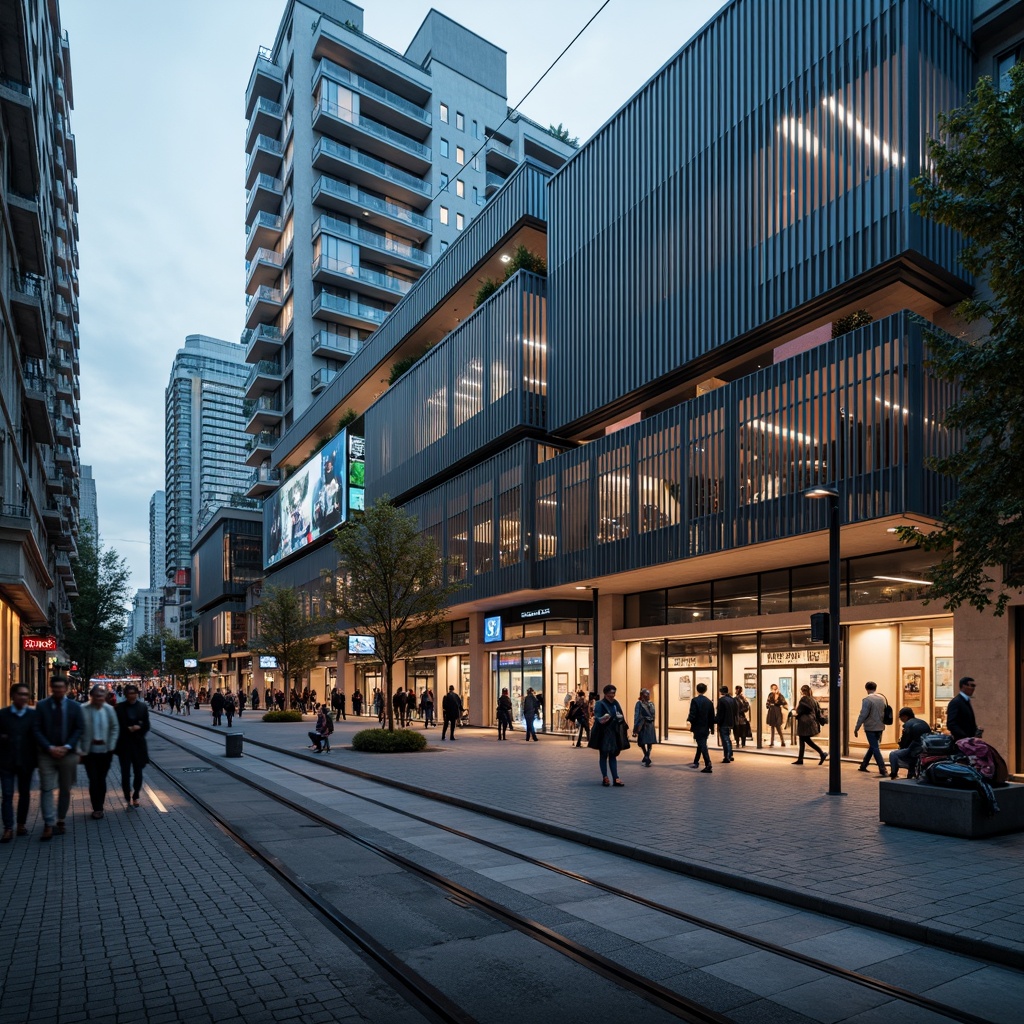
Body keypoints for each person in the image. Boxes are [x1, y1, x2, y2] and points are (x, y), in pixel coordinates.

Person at [34, 675, 84, 841]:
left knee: (65, 789)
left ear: (66, 689)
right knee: (47, 788)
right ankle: (49, 823)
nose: (58, 691)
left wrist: (68, 746)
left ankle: (61, 819)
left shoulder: (75, 707)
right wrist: (49, 747)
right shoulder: (41, 706)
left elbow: (78, 729)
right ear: (51, 688)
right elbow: (37, 730)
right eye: (55, 688)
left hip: (67, 753)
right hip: (46, 754)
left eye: (61, 688)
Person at [0, 683, 38, 841]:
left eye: (25, 694)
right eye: (20, 694)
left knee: (24, 794)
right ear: (12, 696)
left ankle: (21, 824)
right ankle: (8, 828)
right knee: (7, 795)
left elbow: (36, 737)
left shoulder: (32, 715)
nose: (23, 697)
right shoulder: (2, 715)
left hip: (26, 762)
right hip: (6, 762)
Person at [79, 685, 119, 820]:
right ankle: (97, 808)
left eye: (102, 696)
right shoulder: (83, 709)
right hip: (89, 751)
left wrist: (111, 746)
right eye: (97, 696)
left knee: (101, 779)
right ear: (92, 696)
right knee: (93, 779)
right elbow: (78, 729)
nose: (99, 698)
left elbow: (115, 728)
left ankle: (99, 806)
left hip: (105, 751)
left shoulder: (109, 710)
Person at [115, 684, 150, 808]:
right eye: (129, 693)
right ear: (125, 694)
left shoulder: (142, 707)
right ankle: (126, 794)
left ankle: (136, 795)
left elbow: (147, 725)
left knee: (138, 772)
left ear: (137, 694)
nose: (132, 695)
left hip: (138, 744)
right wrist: (127, 728)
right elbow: (116, 726)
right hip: (124, 745)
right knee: (125, 773)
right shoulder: (119, 708)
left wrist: (139, 727)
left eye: (133, 693)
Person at [590, 684, 627, 786]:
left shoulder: (615, 703)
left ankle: (616, 777)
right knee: (603, 755)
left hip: (614, 732)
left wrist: (620, 718)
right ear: (605, 694)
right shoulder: (600, 704)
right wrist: (603, 718)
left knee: (613, 755)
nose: (612, 695)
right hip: (604, 733)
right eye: (610, 693)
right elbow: (597, 717)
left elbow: (621, 716)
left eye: (613, 693)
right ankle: (605, 777)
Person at [853, 681, 888, 777]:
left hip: (870, 727)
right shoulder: (882, 699)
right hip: (880, 726)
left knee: (875, 747)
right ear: (875, 688)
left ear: (866, 689)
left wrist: (857, 727)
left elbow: (863, 715)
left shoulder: (867, 700)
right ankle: (864, 765)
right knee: (873, 746)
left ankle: (882, 768)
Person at [888, 708, 931, 779]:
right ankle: (911, 772)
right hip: (925, 749)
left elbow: (905, 740)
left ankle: (894, 773)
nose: (900, 719)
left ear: (905, 716)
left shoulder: (908, 725)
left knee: (893, 754)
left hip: (915, 749)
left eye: (900, 717)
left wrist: (901, 746)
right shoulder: (923, 722)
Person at [793, 684, 827, 765]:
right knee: (802, 739)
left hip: (804, 723)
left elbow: (799, 711)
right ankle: (800, 759)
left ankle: (822, 753)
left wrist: (794, 712)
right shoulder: (814, 700)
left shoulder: (803, 699)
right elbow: (818, 712)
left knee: (806, 739)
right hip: (811, 722)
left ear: (802, 691)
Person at [687, 682, 716, 773]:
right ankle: (696, 761)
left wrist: (689, 721)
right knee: (701, 743)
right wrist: (712, 728)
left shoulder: (695, 700)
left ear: (697, 689)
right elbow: (712, 717)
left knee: (702, 744)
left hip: (698, 726)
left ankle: (708, 763)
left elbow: (693, 713)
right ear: (705, 690)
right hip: (705, 726)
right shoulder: (709, 702)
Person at [947, 676, 982, 741]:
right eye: (972, 685)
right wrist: (964, 737)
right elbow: (951, 724)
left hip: (968, 742)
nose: (973, 688)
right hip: (962, 743)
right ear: (963, 686)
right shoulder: (956, 702)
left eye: (974, 686)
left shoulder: (966, 701)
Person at [633, 688, 658, 766]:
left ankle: (647, 756)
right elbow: (637, 715)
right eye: (646, 694)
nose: (647, 695)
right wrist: (636, 727)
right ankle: (646, 755)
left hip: (646, 724)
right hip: (645, 724)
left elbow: (653, 715)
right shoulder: (641, 703)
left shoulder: (648, 704)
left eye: (648, 694)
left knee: (647, 742)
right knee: (643, 742)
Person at [716, 686, 736, 763]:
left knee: (725, 739)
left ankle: (727, 756)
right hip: (730, 722)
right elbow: (735, 711)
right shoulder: (732, 699)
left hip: (724, 722)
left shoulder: (722, 700)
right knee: (728, 738)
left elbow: (720, 713)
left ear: (721, 692)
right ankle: (730, 755)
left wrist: (717, 720)